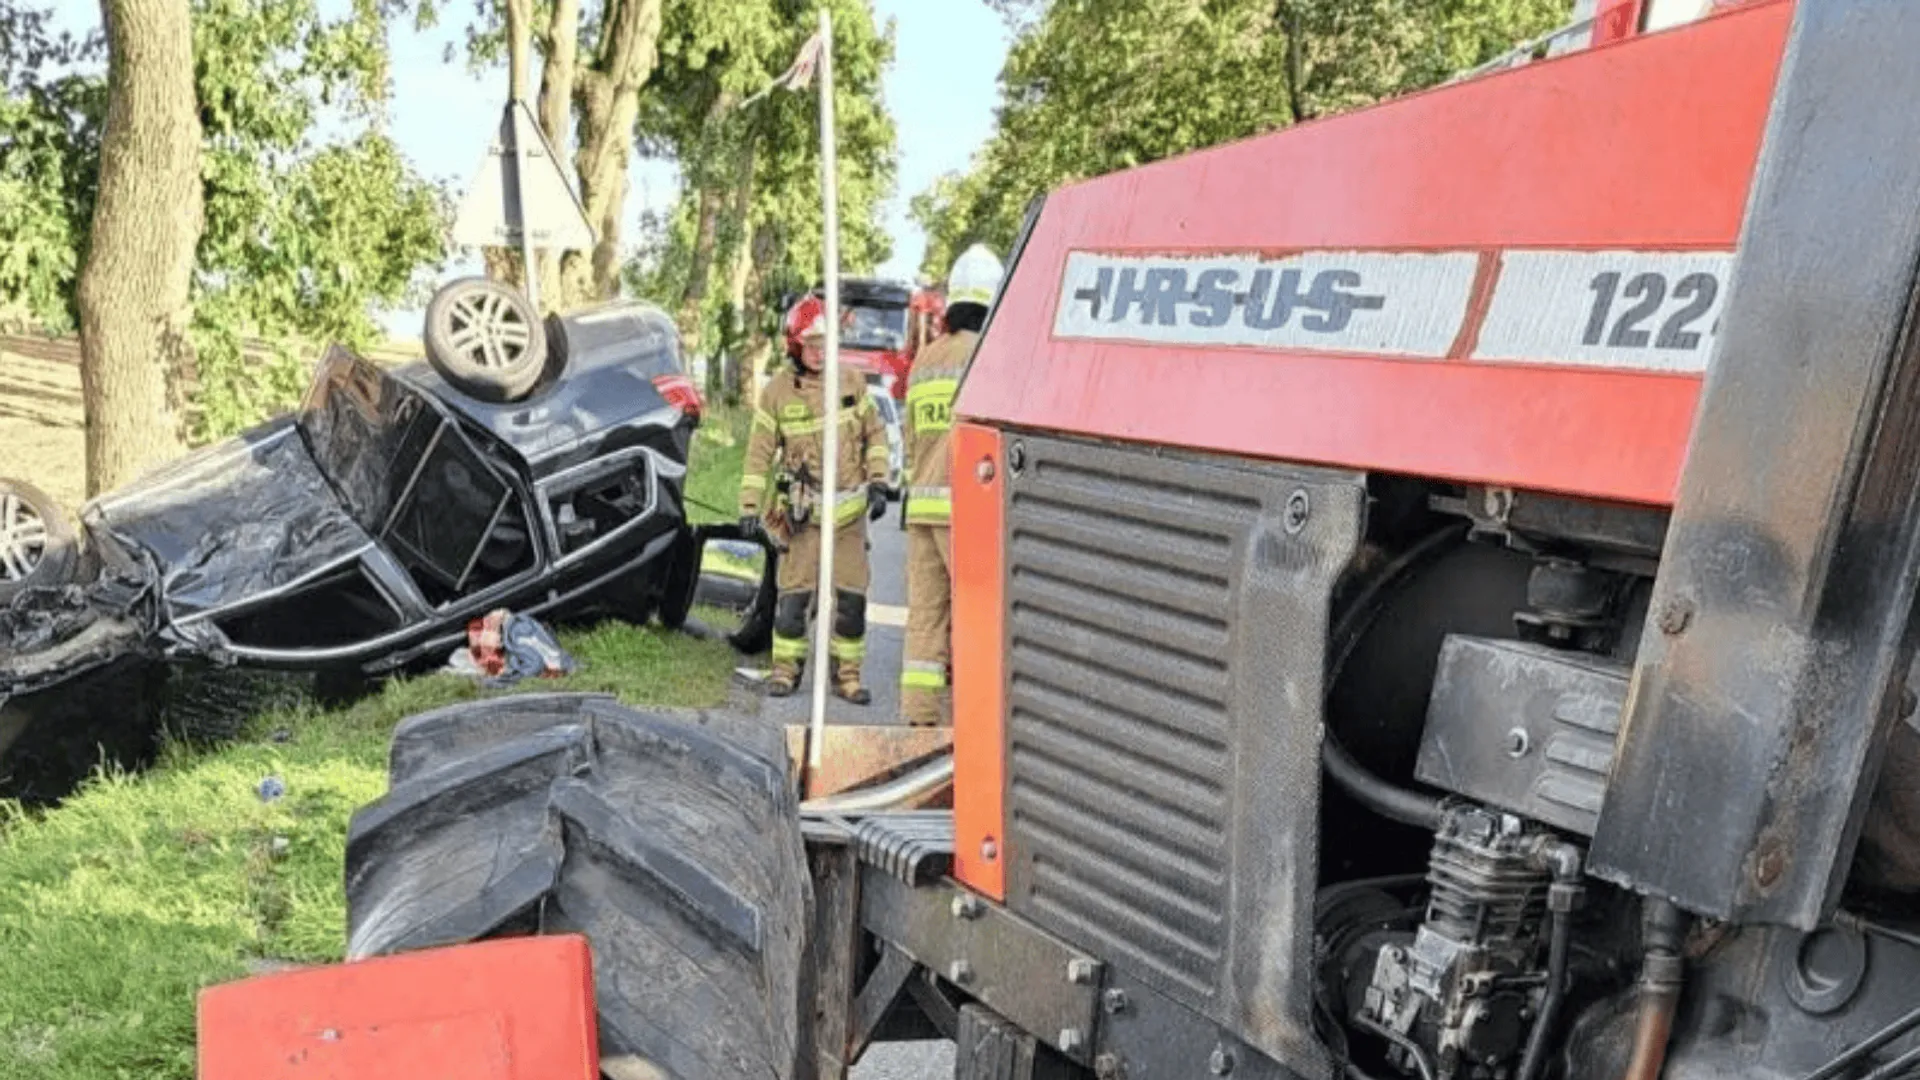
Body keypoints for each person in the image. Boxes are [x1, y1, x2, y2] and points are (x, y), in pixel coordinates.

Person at [739, 295, 891, 701]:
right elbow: (758, 452)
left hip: (848, 516)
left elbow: (874, 434)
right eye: (811, 344)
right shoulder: (776, 393)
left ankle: (848, 677)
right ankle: (785, 672)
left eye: (826, 344)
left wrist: (878, 482)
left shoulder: (852, 383)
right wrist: (750, 506)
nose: (820, 352)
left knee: (852, 603)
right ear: (794, 346)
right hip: (801, 518)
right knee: (793, 601)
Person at [900, 244, 1004, 726]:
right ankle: (973, 729)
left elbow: (909, 434)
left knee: (924, 622)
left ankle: (918, 726)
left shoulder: (926, 359)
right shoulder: (990, 355)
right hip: (966, 510)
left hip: (920, 508)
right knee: (977, 620)